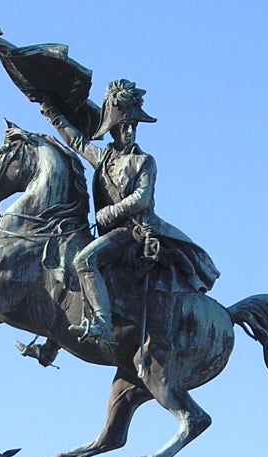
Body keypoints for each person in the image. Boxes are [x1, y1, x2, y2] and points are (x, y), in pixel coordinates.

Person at [37, 79, 220, 348]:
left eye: (133, 127)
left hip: (134, 233)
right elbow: (75, 140)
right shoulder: (103, 159)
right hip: (113, 233)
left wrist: (111, 212)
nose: (130, 132)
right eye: (124, 127)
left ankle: (101, 322)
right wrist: (50, 111)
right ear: (113, 130)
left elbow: (141, 199)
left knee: (84, 261)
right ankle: (53, 343)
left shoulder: (144, 161)